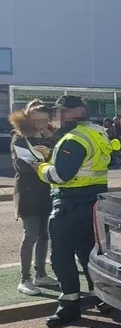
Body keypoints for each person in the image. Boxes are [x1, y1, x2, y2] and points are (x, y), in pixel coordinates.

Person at [32, 95, 118, 327]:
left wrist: (40, 166)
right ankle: (101, 298)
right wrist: (52, 156)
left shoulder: (73, 139)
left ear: (72, 112)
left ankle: (69, 306)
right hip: (92, 203)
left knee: (61, 256)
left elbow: (61, 175)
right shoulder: (97, 132)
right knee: (89, 253)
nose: (56, 116)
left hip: (69, 204)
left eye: (60, 111)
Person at [9, 100, 58, 295]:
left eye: (44, 120)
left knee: (45, 236)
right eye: (37, 120)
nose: (41, 124)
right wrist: (44, 160)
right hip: (28, 193)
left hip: (47, 192)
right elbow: (22, 166)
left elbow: (60, 160)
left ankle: (41, 274)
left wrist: (50, 141)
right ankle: (25, 279)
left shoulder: (50, 137)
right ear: (28, 119)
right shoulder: (19, 138)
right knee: (31, 236)